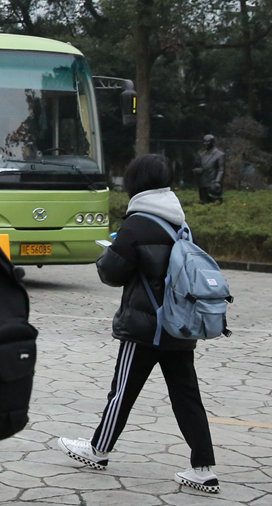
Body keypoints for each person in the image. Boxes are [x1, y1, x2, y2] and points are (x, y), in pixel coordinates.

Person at [58, 154, 219, 494]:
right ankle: (203, 469)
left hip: (146, 328)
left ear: (136, 182)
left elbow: (111, 273)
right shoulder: (180, 223)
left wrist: (111, 250)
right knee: (187, 397)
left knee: (122, 392)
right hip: (179, 326)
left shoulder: (137, 224)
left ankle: (98, 450)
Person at [193, 135, 224, 205]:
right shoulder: (202, 155)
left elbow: (221, 170)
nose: (205, 144)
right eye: (204, 142)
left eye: (207, 142)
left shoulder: (219, 155)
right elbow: (201, 166)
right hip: (203, 184)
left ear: (212, 143)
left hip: (213, 184)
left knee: (215, 204)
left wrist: (217, 181)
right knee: (203, 203)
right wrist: (198, 170)